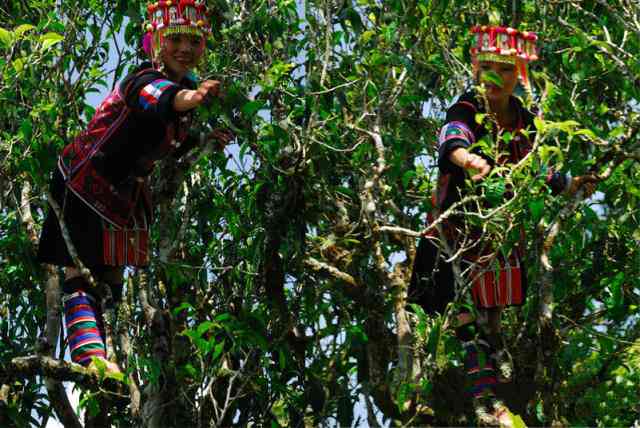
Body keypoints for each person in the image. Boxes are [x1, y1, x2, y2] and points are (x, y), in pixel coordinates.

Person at [409, 25, 594, 424]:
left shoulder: (525, 119)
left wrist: (570, 185)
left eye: (506, 70)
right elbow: (451, 137)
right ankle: (479, 380)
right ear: (477, 68)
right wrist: (468, 159)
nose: (496, 77)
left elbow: (535, 169)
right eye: (488, 67)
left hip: (499, 225)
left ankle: (495, 352)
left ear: (519, 75)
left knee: (492, 307)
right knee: (456, 298)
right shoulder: (467, 106)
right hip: (457, 220)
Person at [37, 0, 232, 373]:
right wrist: (195, 97)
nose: (185, 49)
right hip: (84, 184)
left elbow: (174, 134)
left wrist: (207, 138)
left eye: (194, 41)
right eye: (175, 38)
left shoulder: (183, 88)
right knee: (80, 273)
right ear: (155, 41)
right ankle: (89, 357)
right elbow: (164, 102)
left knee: (111, 278)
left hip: (124, 195)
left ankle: (107, 354)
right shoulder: (143, 80)